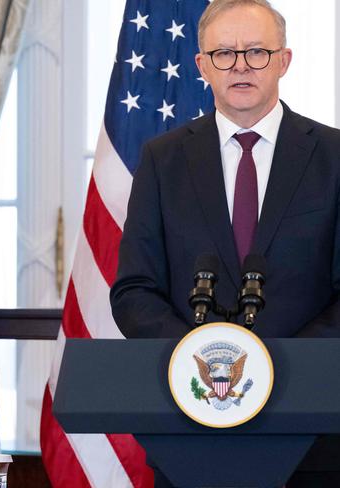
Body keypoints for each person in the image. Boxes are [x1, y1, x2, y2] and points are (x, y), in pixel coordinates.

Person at [110, 0, 340, 486]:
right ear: (201, 66)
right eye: (223, 53)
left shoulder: (335, 158)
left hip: (313, 438)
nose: (239, 65)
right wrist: (207, 360)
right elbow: (134, 290)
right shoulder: (162, 159)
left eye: (257, 52)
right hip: (190, 431)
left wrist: (275, 367)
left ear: (284, 60)